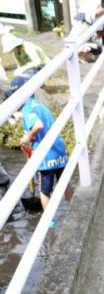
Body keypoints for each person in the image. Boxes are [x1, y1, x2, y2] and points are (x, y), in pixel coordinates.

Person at [5, 77, 73, 221]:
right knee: (65, 183)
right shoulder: (39, 105)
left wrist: (27, 137)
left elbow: (38, 125)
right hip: (58, 150)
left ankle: (50, 224)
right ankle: (74, 213)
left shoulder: (27, 110)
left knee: (44, 192)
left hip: (46, 156)